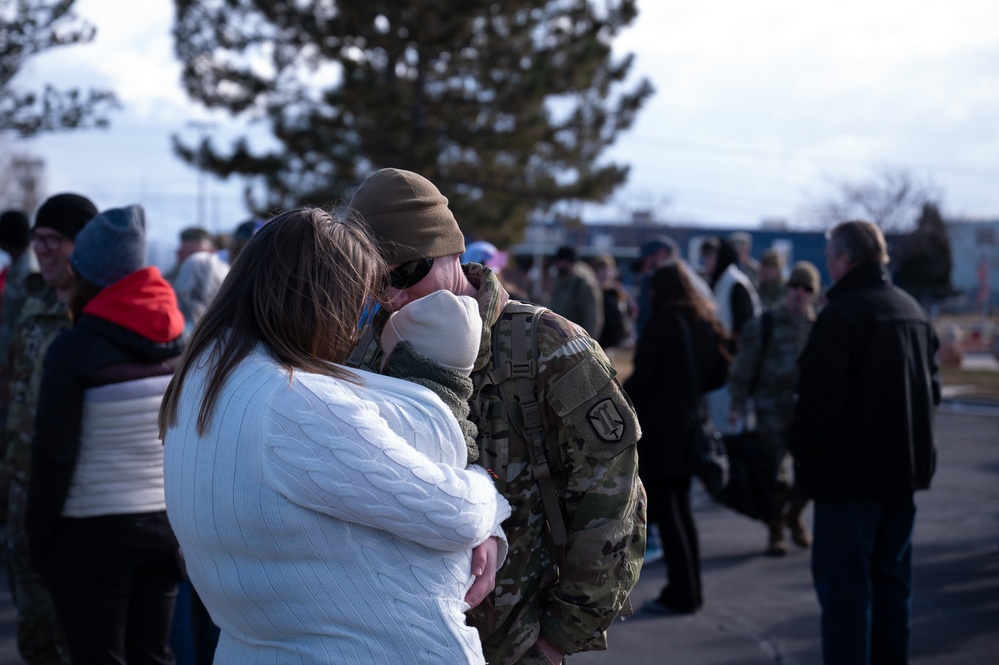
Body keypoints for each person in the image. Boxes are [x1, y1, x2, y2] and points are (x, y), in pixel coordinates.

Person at [159, 208, 509, 663]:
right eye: (360, 300)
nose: (361, 322)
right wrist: (487, 488)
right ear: (321, 299)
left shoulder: (203, 379)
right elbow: (456, 514)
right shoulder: (293, 403)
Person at [347, 168, 645, 665]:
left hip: (511, 643)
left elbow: (611, 502)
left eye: (405, 273)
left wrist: (556, 640)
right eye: (375, 280)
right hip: (393, 640)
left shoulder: (548, 348)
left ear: (450, 251)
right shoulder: (362, 354)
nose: (392, 296)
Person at [26, 204, 187, 664]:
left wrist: (38, 538)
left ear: (88, 274)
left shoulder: (74, 349)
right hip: (164, 524)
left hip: (91, 531)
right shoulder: (177, 339)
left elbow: (53, 455)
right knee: (153, 655)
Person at [789, 220, 940, 665]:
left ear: (846, 259)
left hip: (848, 483)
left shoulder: (841, 315)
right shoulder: (912, 310)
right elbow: (930, 394)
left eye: (831, 256)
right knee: (893, 592)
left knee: (846, 600)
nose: (828, 266)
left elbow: (818, 404)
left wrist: (802, 453)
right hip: (901, 477)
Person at [2, 193, 98, 665]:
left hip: (69, 500)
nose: (42, 248)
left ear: (83, 246)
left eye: (54, 239)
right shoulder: (33, 303)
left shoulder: (98, 318)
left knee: (73, 634)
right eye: (38, 238)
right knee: (33, 632)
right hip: (19, 487)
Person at [623, 262, 730, 615]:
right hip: (690, 424)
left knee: (668, 513)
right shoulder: (704, 324)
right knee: (682, 510)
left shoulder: (660, 325)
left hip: (661, 430)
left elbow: (645, 377)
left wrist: (618, 394)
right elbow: (721, 372)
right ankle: (690, 590)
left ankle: (682, 593)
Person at [728, 261, 820, 556]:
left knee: (811, 473)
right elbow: (744, 366)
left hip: (805, 411)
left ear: (813, 294)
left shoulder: (819, 329)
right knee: (774, 475)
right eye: (795, 286)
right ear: (787, 288)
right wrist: (737, 404)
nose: (799, 293)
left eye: (807, 289)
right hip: (770, 409)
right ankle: (776, 529)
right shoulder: (766, 323)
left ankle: (793, 516)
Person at [700, 237, 761, 435]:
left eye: (711, 256)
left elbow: (745, 331)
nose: (706, 262)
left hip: (734, 374)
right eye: (705, 257)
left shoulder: (735, 283)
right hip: (721, 371)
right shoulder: (720, 281)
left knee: (732, 433)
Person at [547, 245, 604, 339]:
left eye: (559, 261)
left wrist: (586, 344)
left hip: (577, 342)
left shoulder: (584, 285)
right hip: (563, 341)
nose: (556, 265)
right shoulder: (561, 282)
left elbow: (592, 319)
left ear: (568, 262)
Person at [592, 254, 635, 351]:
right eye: (602, 269)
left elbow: (628, 312)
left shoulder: (617, 291)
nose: (606, 274)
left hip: (611, 342)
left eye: (609, 270)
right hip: (595, 339)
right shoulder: (590, 291)